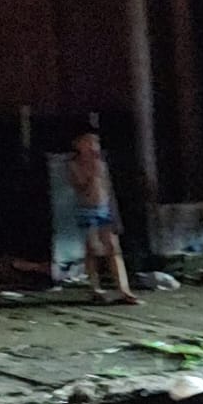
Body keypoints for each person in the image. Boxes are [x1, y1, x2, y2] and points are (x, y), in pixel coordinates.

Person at [66, 130, 140, 305]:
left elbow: (107, 189)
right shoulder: (74, 165)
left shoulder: (102, 163)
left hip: (105, 209)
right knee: (92, 249)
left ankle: (124, 289)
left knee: (113, 248)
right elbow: (81, 189)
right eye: (88, 142)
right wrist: (92, 175)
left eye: (95, 143)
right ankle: (95, 288)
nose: (93, 146)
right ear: (78, 145)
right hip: (86, 210)